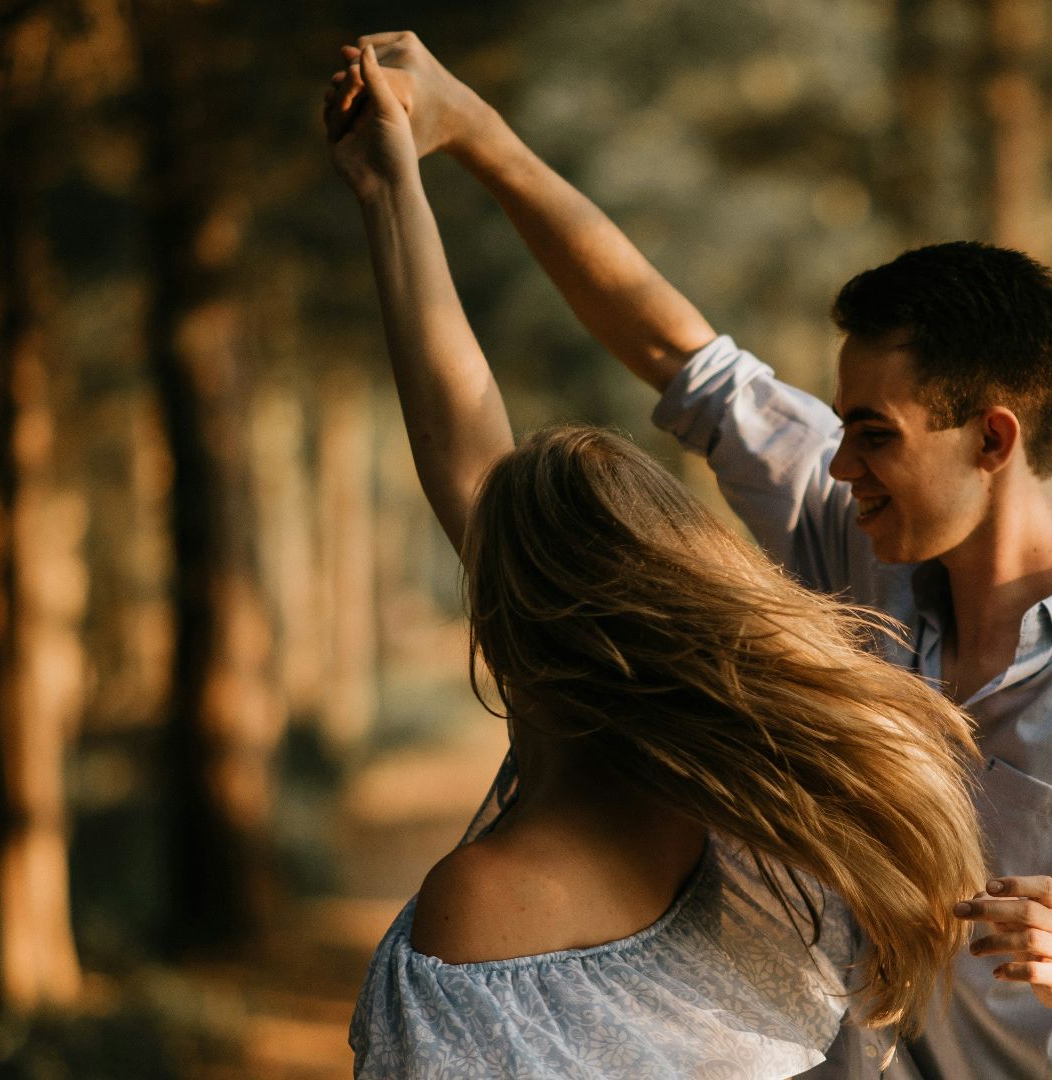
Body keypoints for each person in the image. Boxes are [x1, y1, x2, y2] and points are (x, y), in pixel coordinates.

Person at [349, 30, 1052, 1080]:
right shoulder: (858, 551)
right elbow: (681, 356)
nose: (837, 462)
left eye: (872, 433)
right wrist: (471, 134)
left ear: (992, 440)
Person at [324, 45, 989, 1079]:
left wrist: (395, 183)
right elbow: (468, 449)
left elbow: (469, 460)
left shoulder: (480, 910)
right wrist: (391, 182)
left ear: (512, 618)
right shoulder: (772, 851)